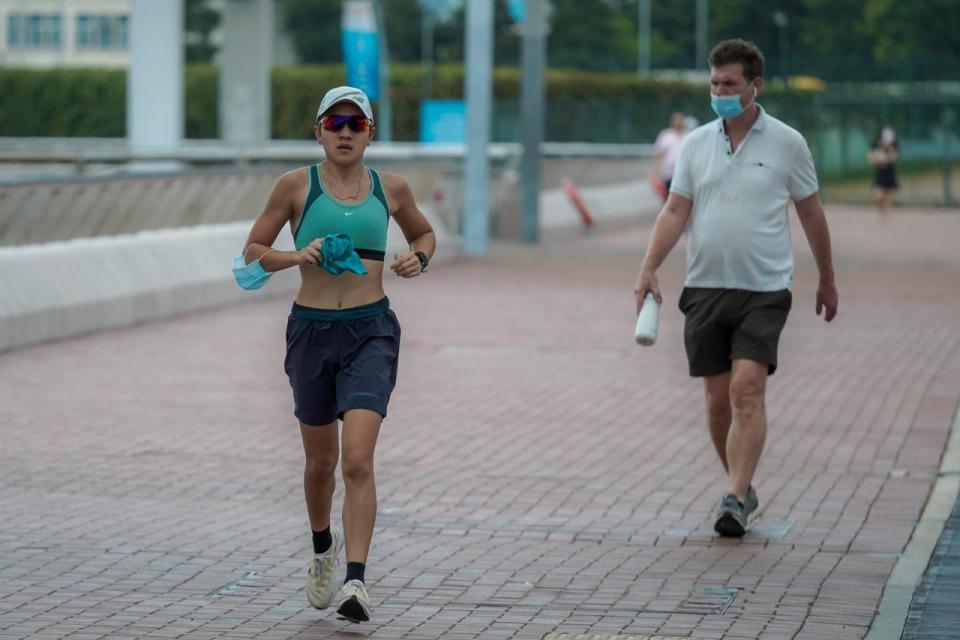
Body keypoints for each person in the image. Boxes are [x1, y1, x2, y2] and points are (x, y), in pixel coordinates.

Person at [235, 86, 436, 622]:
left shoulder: (390, 188)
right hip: (311, 331)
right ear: (318, 130)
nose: (344, 132)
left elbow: (424, 232)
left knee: (357, 461)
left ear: (371, 132)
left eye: (356, 123)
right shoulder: (295, 186)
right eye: (334, 122)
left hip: (371, 330)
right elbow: (252, 251)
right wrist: (293, 254)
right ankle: (323, 546)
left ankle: (356, 582)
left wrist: (419, 257)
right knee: (320, 462)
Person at [633, 39, 838, 537]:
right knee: (717, 401)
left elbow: (810, 211)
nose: (720, 92)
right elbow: (675, 210)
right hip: (704, 286)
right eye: (714, 83)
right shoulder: (696, 144)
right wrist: (648, 267)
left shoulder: (788, 143)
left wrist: (827, 278)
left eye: (730, 84)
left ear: (754, 86)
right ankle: (741, 487)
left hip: (765, 288)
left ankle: (737, 495)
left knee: (748, 388)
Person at [651, 111, 689, 202]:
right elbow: (658, 154)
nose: (678, 122)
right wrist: (656, 172)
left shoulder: (688, 136)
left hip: (684, 176)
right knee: (668, 201)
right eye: (676, 120)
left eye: (680, 120)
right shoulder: (666, 135)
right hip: (668, 175)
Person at [868, 125, 899, 216]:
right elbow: (871, 159)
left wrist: (887, 151)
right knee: (879, 196)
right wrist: (882, 160)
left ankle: (884, 216)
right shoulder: (876, 144)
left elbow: (893, 158)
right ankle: (880, 211)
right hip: (880, 173)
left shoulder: (893, 145)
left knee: (888, 196)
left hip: (890, 173)